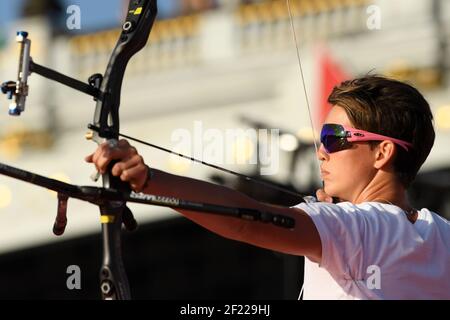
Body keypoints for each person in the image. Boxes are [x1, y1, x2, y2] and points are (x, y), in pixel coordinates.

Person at [85, 75, 450, 299]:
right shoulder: (441, 235)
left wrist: (149, 180)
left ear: (383, 152)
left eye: (334, 137)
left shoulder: (359, 228)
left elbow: (249, 221)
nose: (321, 150)